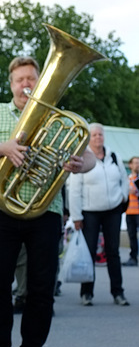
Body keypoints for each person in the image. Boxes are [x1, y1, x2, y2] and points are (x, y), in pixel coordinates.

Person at [0, 56, 95, 347]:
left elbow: (90, 156)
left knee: (40, 287)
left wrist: (81, 165)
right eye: (20, 79)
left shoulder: (61, 118)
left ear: (40, 81)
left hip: (45, 212)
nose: (26, 84)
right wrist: (3, 147)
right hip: (3, 210)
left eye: (32, 79)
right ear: (11, 84)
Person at [67, 124, 130, 305]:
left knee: (113, 252)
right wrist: (76, 216)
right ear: (89, 138)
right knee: (89, 251)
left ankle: (118, 292)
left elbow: (123, 180)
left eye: (100, 134)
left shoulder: (114, 156)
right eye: (94, 135)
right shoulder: (83, 157)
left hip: (113, 211)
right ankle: (87, 293)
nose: (97, 138)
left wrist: (123, 197)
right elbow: (74, 190)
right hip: (89, 212)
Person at [123, 156, 139, 267]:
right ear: (130, 165)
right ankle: (133, 257)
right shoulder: (126, 180)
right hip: (129, 212)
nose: (137, 165)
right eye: (135, 163)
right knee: (132, 236)